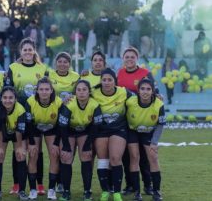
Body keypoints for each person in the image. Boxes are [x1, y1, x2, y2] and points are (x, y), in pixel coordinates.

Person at [6, 38, 47, 194]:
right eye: (25, 50)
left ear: (34, 51)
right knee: (19, 150)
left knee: (37, 150)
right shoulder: (13, 67)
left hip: (36, 116)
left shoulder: (42, 68)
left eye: (30, 50)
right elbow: (8, 90)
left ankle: (40, 184)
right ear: (20, 52)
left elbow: (47, 91)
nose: (28, 52)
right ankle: (16, 184)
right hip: (18, 116)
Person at [117, 47, 154, 196]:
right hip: (125, 120)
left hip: (143, 120)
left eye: (132, 57)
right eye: (127, 57)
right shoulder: (119, 74)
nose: (130, 59)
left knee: (144, 156)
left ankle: (148, 185)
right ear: (123, 58)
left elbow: (153, 92)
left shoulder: (145, 74)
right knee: (127, 155)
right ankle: (131, 184)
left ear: (137, 58)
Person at [92, 68, 132, 201]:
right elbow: (79, 95)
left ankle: (116, 192)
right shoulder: (94, 92)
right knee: (103, 161)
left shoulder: (123, 92)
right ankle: (105, 191)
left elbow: (141, 98)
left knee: (115, 158)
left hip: (118, 129)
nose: (107, 82)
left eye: (110, 80)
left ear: (115, 81)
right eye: (104, 80)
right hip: (101, 130)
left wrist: (156, 95)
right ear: (100, 81)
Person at [58, 80, 101, 201]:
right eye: (79, 90)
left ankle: (87, 191)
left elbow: (95, 126)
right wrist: (66, 145)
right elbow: (62, 126)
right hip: (69, 131)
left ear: (89, 91)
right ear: (75, 92)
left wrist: (88, 144)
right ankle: (66, 192)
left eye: (84, 90)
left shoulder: (94, 104)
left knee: (87, 156)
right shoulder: (69, 103)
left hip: (85, 132)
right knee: (66, 157)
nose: (81, 92)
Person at [126, 79, 165, 201]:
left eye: (148, 89)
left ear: (153, 91)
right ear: (138, 90)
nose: (145, 92)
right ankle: (137, 192)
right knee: (134, 157)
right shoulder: (130, 102)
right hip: (132, 131)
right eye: (142, 89)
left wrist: (154, 142)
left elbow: (160, 124)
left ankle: (156, 191)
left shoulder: (159, 104)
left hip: (149, 133)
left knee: (153, 158)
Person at [26, 77, 64, 200]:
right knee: (33, 155)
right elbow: (28, 124)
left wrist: (56, 143)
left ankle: (51, 190)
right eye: (41, 89)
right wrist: (31, 143)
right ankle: (33, 189)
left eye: (47, 89)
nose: (44, 92)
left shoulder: (58, 102)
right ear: (36, 91)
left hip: (52, 129)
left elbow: (60, 125)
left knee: (54, 155)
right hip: (34, 129)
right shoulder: (30, 101)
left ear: (52, 90)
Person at [0, 86, 30, 200]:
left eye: (11, 98)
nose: (8, 100)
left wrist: (18, 148)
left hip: (17, 134)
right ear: (1, 98)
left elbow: (19, 131)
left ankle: (22, 191)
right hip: (1, 134)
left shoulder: (20, 109)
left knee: (21, 156)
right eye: (5, 98)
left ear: (15, 99)